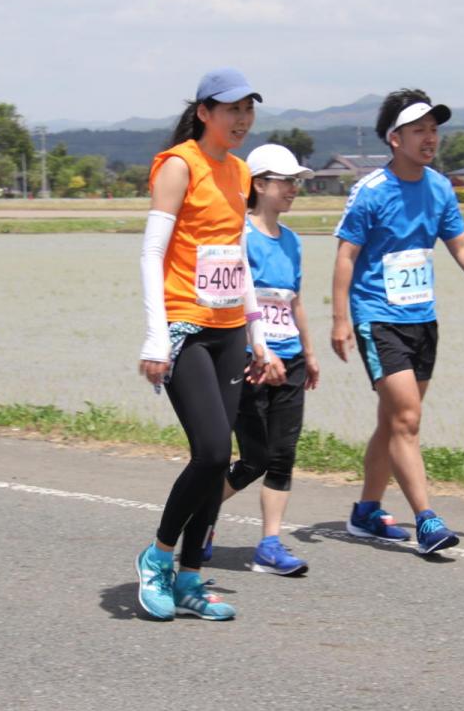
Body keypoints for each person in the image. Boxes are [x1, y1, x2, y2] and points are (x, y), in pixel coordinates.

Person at [330, 88, 464, 555]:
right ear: (395, 138)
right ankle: (427, 520)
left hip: (422, 318)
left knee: (392, 421)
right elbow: (345, 256)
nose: (430, 138)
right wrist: (340, 320)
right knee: (408, 419)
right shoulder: (371, 191)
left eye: (434, 130)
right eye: (419, 130)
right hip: (378, 318)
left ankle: (366, 512)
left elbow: (460, 246)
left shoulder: (438, 187)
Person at [135, 68, 284, 621]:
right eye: (231, 110)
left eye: (249, 110)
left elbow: (235, 260)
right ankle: (157, 558)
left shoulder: (241, 171)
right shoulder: (180, 165)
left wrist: (259, 338)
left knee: (221, 456)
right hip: (184, 330)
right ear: (204, 113)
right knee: (214, 453)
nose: (242, 120)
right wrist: (157, 338)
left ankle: (191, 579)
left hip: (228, 335)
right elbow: (152, 254)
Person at [202, 144, 319, 576]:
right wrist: (258, 352)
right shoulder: (239, 237)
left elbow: (295, 302)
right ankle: (202, 514)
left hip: (290, 362)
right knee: (254, 457)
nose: (293, 189)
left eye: (296, 182)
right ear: (259, 185)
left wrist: (309, 352)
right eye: (286, 181)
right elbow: (234, 304)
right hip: (249, 361)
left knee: (282, 456)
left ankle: (270, 545)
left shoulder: (292, 242)